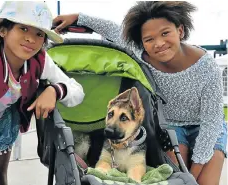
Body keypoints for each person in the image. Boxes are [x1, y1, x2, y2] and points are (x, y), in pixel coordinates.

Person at [53, 1, 227, 185]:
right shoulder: (141, 55)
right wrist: (79, 18)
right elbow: (113, 30)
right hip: (170, 126)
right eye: (149, 39)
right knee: (174, 174)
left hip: (207, 126)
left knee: (205, 179)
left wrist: (191, 175)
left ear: (180, 31)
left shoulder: (207, 67)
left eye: (165, 33)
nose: (159, 43)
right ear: (142, 42)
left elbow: (211, 123)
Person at [0, 1, 84, 185]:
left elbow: (77, 90)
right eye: (23, 29)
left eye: (39, 33)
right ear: (3, 30)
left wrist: (54, 90)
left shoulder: (40, 60)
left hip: (3, 118)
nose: (31, 39)